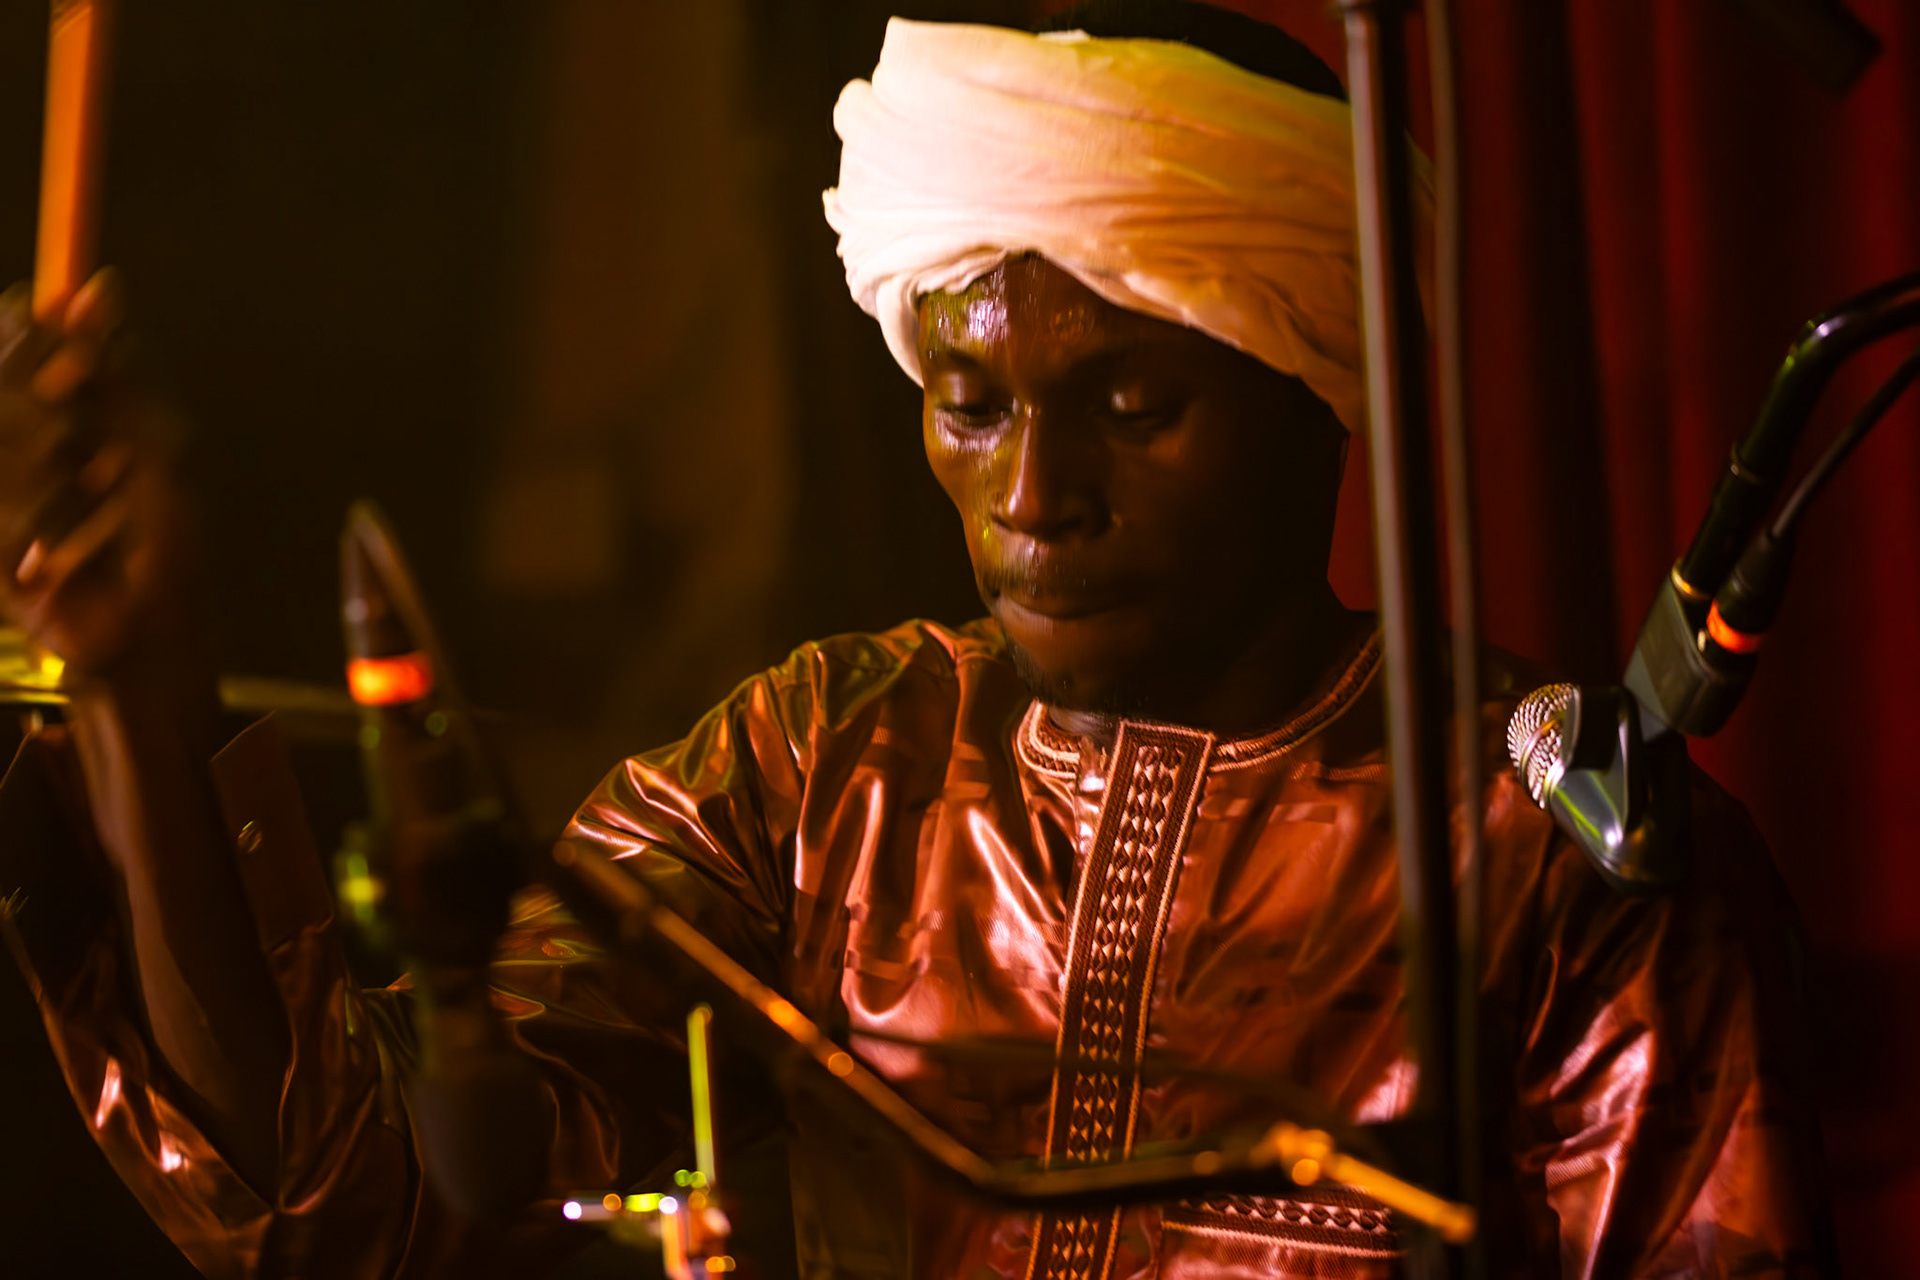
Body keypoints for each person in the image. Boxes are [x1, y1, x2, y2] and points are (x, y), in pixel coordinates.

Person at [0, 3, 1828, 1277]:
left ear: (1315, 398)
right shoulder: (826, 767)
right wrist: (139, 719)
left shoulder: (1565, 852)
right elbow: (362, 1211)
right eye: (970, 399)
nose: (1034, 490)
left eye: (1132, 404)